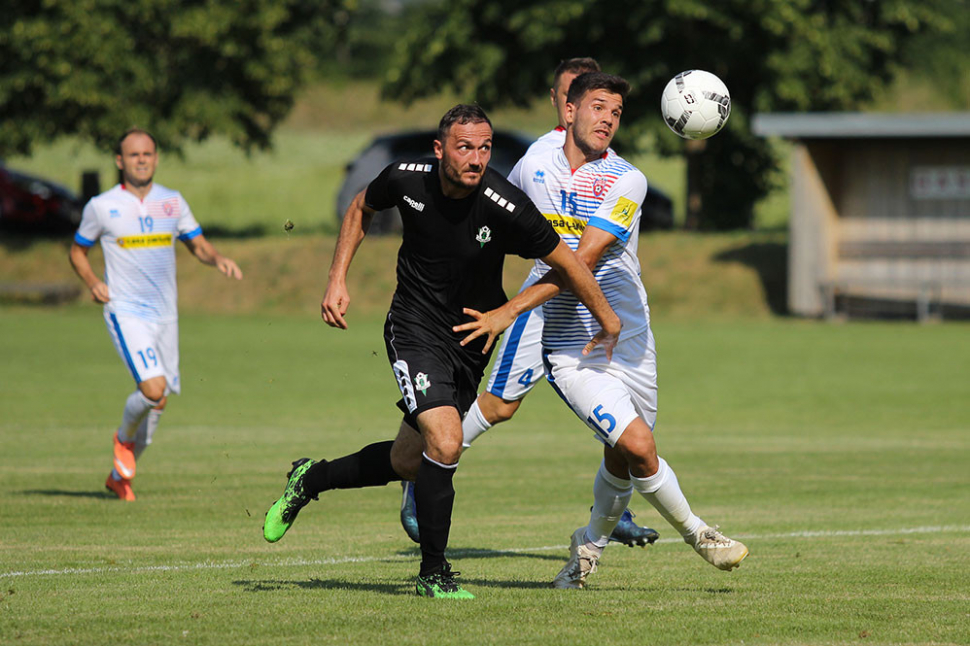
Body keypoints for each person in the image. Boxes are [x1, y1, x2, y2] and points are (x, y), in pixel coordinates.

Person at [262, 104, 621, 600]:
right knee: (447, 442)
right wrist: (337, 277)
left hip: (471, 340)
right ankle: (434, 574)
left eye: (484, 148)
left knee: (409, 460)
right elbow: (360, 206)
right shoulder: (406, 179)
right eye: (464, 147)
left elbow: (570, 263)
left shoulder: (504, 203)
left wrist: (546, 314)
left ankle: (310, 478)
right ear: (439, 149)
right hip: (412, 328)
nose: (476, 158)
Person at [486, 72, 750, 587]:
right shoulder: (532, 168)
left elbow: (580, 261)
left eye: (617, 112)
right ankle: (701, 534)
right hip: (572, 351)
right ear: (568, 112)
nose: (608, 117)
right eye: (598, 106)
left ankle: (586, 551)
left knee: (623, 457)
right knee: (639, 445)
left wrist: (510, 309)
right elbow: (493, 224)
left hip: (630, 341)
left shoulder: (627, 180)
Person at [398, 57, 659, 549]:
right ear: (561, 103)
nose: (572, 107)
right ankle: (424, 465)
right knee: (498, 405)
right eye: (567, 97)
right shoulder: (537, 159)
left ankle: (612, 511)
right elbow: (492, 214)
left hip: (595, 304)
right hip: (541, 303)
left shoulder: (616, 171)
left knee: (622, 413)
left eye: (601, 105)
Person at [69, 128, 243, 501]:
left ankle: (119, 476)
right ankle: (122, 439)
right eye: (133, 155)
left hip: (166, 315)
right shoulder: (101, 206)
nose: (141, 159)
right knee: (153, 389)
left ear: (156, 158)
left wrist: (219, 259)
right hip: (126, 310)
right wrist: (92, 282)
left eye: (147, 153)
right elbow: (77, 251)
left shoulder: (172, 202)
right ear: (120, 161)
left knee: (159, 400)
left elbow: (197, 244)